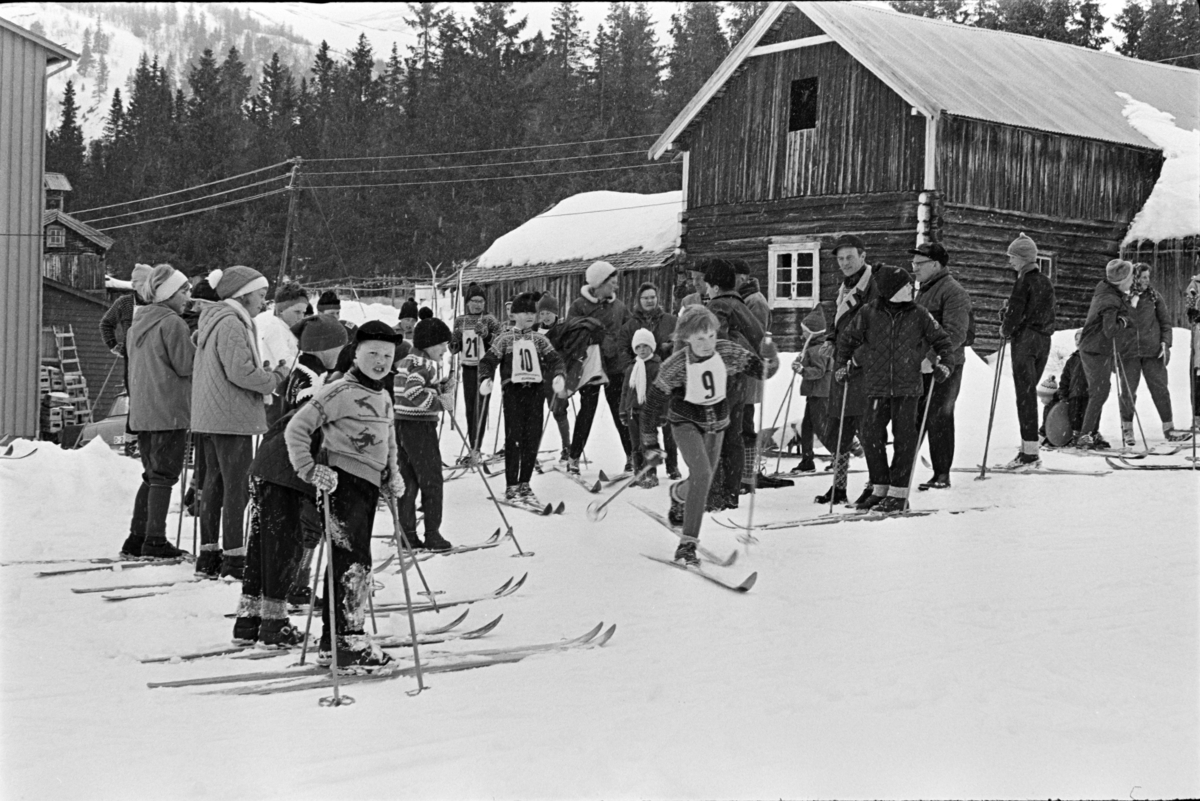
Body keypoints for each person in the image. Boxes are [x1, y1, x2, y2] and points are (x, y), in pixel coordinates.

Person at [284, 321, 404, 669]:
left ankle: (332, 641)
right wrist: (308, 469)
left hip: (367, 486)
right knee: (352, 563)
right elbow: (297, 428)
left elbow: (388, 440)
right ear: (357, 353)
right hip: (343, 484)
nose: (380, 361)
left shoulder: (383, 395)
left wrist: (391, 474)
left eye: (387, 355)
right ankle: (348, 641)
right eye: (373, 354)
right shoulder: (339, 392)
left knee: (351, 561)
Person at [233, 314, 348, 647]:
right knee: (282, 546)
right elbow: (309, 427)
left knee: (262, 545)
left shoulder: (300, 371)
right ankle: (274, 624)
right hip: (286, 471)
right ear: (328, 348)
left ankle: (248, 619)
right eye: (339, 344)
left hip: (267, 466)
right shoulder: (314, 380)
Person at [639, 306, 779, 566]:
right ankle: (687, 545)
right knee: (703, 475)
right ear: (687, 337)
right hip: (685, 423)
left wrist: (770, 356)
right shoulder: (676, 365)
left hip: (718, 426)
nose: (707, 344)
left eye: (711, 336)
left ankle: (679, 494)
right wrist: (650, 443)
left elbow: (764, 371)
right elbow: (651, 405)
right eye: (700, 338)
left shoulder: (726, 352)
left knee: (701, 479)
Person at [191, 266, 291, 580]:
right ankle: (235, 557)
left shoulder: (214, 319)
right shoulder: (232, 322)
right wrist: (274, 377)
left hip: (212, 414)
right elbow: (240, 372)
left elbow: (231, 367)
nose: (263, 302)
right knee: (236, 488)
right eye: (260, 295)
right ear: (243, 293)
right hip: (231, 415)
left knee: (214, 483)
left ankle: (209, 554)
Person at [837, 265, 954, 512]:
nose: (912, 288)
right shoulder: (868, 313)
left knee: (905, 440)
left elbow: (943, 341)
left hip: (907, 389)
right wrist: (842, 365)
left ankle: (899, 494)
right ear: (891, 290)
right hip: (876, 387)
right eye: (906, 285)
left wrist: (944, 365)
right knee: (871, 437)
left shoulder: (919, 314)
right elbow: (847, 340)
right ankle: (880, 489)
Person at [120, 265, 195, 560]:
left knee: (151, 475)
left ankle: (136, 538)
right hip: (169, 411)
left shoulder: (137, 324)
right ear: (168, 294)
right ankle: (155, 540)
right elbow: (185, 366)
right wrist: (198, 344)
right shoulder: (172, 324)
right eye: (183, 291)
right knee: (164, 475)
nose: (187, 297)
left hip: (143, 411)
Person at [479, 292, 566, 504]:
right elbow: (488, 361)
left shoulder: (539, 339)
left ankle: (525, 482)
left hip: (535, 393)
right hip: (513, 393)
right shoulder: (505, 338)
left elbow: (556, 360)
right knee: (514, 437)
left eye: (531, 313)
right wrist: (485, 378)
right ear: (513, 315)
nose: (529, 316)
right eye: (523, 312)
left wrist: (559, 375)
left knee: (532, 438)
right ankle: (511, 484)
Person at [818, 234, 878, 505]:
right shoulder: (844, 287)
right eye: (841, 259)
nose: (845, 263)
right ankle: (839, 486)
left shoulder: (874, 286)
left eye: (850, 257)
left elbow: (877, 329)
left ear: (863, 256)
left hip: (864, 368)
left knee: (868, 430)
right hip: (842, 366)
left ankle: (875, 484)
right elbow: (838, 322)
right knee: (839, 427)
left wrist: (857, 357)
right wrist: (831, 339)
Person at [703, 259, 766, 510]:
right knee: (734, 436)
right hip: (740, 380)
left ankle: (715, 494)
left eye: (708, 285)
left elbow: (714, 344)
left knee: (715, 434)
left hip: (720, 381)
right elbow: (760, 338)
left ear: (716, 286)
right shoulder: (741, 305)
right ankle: (731, 492)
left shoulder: (717, 305)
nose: (706, 290)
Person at [911, 243, 973, 490]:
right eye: (913, 264)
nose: (914, 268)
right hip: (920, 365)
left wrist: (932, 357)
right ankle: (902, 473)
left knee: (939, 417)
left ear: (935, 264)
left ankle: (941, 474)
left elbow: (955, 333)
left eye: (919, 264)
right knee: (914, 418)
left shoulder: (953, 292)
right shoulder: (925, 290)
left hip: (945, 366)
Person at [394, 313, 457, 552]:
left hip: (402, 425)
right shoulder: (423, 365)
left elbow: (413, 388)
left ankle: (407, 533)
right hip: (418, 426)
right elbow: (413, 392)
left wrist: (438, 387)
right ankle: (432, 534)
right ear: (430, 343)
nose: (445, 350)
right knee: (431, 480)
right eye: (442, 345)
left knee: (409, 481)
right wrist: (441, 402)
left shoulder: (410, 361)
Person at [566, 261, 631, 474]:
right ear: (599, 283)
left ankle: (632, 457)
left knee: (620, 413)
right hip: (591, 366)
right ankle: (574, 457)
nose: (616, 286)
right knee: (587, 412)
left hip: (615, 367)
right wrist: (590, 333)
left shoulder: (619, 307)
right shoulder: (579, 305)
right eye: (612, 282)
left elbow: (629, 331)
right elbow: (569, 333)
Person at [1116, 263, 1192, 444]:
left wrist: (1165, 343)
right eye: (1143, 277)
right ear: (1134, 277)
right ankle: (1127, 430)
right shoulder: (1123, 299)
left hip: (1153, 352)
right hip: (1129, 353)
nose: (1146, 281)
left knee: (1160, 390)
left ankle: (1169, 428)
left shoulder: (1155, 297)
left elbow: (1165, 324)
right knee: (1128, 392)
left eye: (1148, 277)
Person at [999, 232, 1056, 467]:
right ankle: (1030, 447)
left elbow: (1016, 313)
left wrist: (1005, 327)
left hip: (1026, 340)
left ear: (1023, 258)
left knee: (1025, 395)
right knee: (1029, 392)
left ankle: (1029, 452)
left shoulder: (1023, 281)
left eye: (1012, 257)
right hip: (1044, 339)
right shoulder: (1045, 281)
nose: (1010, 261)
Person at [617, 282, 679, 479]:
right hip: (640, 380)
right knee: (642, 434)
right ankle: (644, 469)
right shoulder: (631, 324)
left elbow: (680, 344)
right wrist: (633, 367)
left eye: (652, 297)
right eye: (645, 298)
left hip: (666, 376)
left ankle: (672, 465)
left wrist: (669, 351)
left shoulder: (670, 321)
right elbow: (622, 348)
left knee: (669, 425)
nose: (649, 300)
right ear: (639, 301)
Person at [1073, 259, 1135, 450]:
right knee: (1099, 393)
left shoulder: (1109, 294)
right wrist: (1124, 321)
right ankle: (1085, 435)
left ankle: (1090, 432)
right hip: (1095, 349)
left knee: (1100, 391)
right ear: (1122, 280)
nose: (1133, 280)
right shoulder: (1110, 299)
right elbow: (1109, 330)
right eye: (1131, 276)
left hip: (1098, 348)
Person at [452, 283, 503, 457]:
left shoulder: (489, 319)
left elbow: (500, 341)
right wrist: (454, 341)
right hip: (468, 368)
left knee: (480, 407)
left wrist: (487, 335)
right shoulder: (461, 320)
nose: (477, 304)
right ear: (467, 302)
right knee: (469, 407)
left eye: (481, 301)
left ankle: (476, 447)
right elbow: (454, 348)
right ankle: (473, 445)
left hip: (484, 367)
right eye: (474, 301)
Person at [257, 281, 308, 427]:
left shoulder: (286, 329)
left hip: (285, 391)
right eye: (296, 312)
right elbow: (284, 361)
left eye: (303, 312)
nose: (301, 317)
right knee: (278, 437)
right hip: (278, 393)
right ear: (281, 310)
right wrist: (309, 366)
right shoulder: (276, 327)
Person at [620, 329, 667, 488]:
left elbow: (664, 392)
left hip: (650, 413)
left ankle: (651, 475)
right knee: (635, 446)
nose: (642, 349)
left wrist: (663, 413)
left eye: (645, 346)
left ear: (652, 347)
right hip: (633, 412)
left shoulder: (656, 366)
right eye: (638, 346)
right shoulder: (632, 367)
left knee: (649, 444)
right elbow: (626, 391)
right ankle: (638, 474)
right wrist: (623, 410)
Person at [789, 327, 835, 473]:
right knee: (807, 428)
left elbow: (819, 371)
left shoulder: (818, 349)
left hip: (821, 394)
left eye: (804, 331)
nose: (802, 334)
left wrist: (803, 370)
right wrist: (799, 363)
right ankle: (807, 460)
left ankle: (839, 457)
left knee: (821, 429)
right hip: (814, 393)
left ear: (812, 332)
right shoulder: (812, 348)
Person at [535, 294, 572, 462]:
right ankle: (531, 448)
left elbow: (565, 353)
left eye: (549, 313)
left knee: (559, 410)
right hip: (536, 377)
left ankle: (567, 446)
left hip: (554, 377)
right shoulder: (534, 329)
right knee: (534, 414)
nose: (545, 317)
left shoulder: (561, 329)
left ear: (556, 313)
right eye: (542, 313)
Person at [1042, 331, 1089, 445]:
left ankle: (1083, 435)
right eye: (1076, 339)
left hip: (1087, 394)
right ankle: (1047, 432)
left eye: (1081, 338)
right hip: (1073, 394)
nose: (1078, 341)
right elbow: (1065, 379)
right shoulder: (1072, 360)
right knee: (1051, 402)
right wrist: (1063, 393)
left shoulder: (1093, 358)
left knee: (1082, 415)